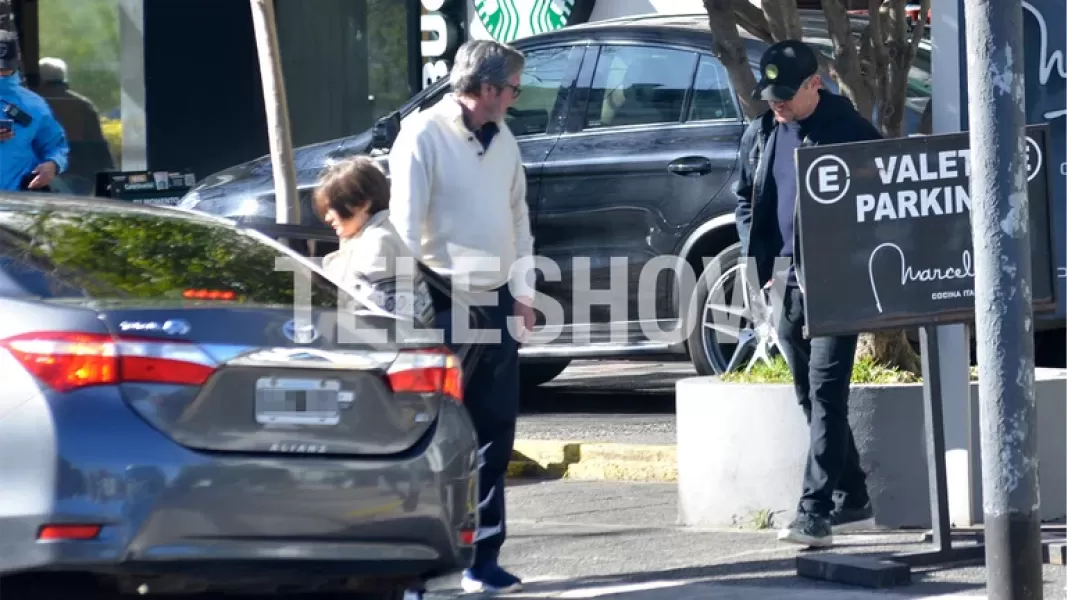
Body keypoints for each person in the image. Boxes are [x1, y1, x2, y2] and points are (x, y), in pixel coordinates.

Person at [388, 39, 535, 595]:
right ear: (489, 89)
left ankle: (484, 556)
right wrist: (407, 310)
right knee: (433, 433)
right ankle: (422, 562)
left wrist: (522, 292)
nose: (515, 98)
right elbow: (403, 226)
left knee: (495, 429)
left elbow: (518, 217)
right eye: (513, 89)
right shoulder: (422, 134)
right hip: (441, 296)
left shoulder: (505, 140)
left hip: (495, 298)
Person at [733, 39, 881, 547]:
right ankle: (853, 495)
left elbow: (881, 204)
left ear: (815, 84)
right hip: (786, 285)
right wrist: (764, 267)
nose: (776, 103)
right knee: (808, 395)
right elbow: (746, 202)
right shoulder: (761, 134)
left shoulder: (850, 132)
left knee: (825, 391)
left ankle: (813, 511)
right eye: (769, 93)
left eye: (786, 94)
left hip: (837, 284)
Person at [314, 156, 434, 328]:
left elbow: (372, 316)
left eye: (332, 208)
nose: (327, 218)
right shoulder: (372, 235)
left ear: (362, 203)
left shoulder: (377, 244)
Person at [0, 31, 69, 192]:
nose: (1, 74)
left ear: (15, 64)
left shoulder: (33, 104)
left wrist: (52, 164)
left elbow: (56, 146)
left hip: (20, 208)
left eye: (5, 68)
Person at [37, 57, 114, 195]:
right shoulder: (83, 105)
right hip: (80, 178)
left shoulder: (33, 106)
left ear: (41, 81)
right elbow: (100, 148)